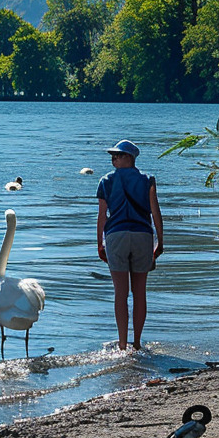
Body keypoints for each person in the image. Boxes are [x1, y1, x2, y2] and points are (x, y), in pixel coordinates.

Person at [96, 140, 163, 350]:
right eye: (113, 155)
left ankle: (123, 344)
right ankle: (137, 343)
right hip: (142, 235)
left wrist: (100, 243)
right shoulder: (147, 180)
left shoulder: (105, 181)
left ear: (130, 158)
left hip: (116, 236)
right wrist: (160, 241)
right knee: (140, 292)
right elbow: (155, 212)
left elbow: (102, 217)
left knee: (120, 293)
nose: (113, 158)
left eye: (117, 155)